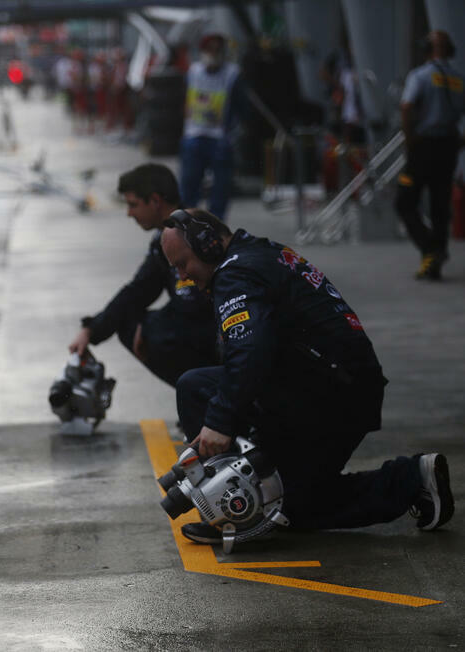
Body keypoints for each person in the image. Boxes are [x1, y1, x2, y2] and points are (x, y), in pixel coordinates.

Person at [160, 209, 454, 544]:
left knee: (285, 509)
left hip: (331, 397)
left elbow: (250, 349)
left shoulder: (236, 274)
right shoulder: (257, 252)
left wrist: (220, 421)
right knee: (196, 385)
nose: (183, 277)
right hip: (326, 385)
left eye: (183, 264)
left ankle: (410, 479)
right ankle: (240, 501)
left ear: (209, 244)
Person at [68, 164, 217, 387]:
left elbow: (194, 308)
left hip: (218, 338)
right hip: (205, 333)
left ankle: (208, 400)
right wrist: (91, 329)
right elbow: (139, 290)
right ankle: (199, 398)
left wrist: (149, 327)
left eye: (133, 205)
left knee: (144, 331)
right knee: (129, 322)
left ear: (155, 201)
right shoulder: (166, 237)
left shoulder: (188, 238)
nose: (129, 213)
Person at [395, 30, 465, 280]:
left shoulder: (421, 75)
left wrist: (409, 139)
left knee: (404, 201)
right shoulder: (458, 79)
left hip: (424, 146)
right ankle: (437, 255)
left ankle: (430, 249)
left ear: (428, 48)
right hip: (448, 147)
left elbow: (406, 106)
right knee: (439, 203)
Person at [178, 34, 248, 222]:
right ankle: (187, 224)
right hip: (194, 135)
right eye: (210, 50)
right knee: (189, 185)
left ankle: (216, 226)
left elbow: (242, 106)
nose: (213, 54)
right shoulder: (194, 72)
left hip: (220, 138)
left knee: (221, 187)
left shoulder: (232, 75)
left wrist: (236, 132)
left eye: (218, 50)